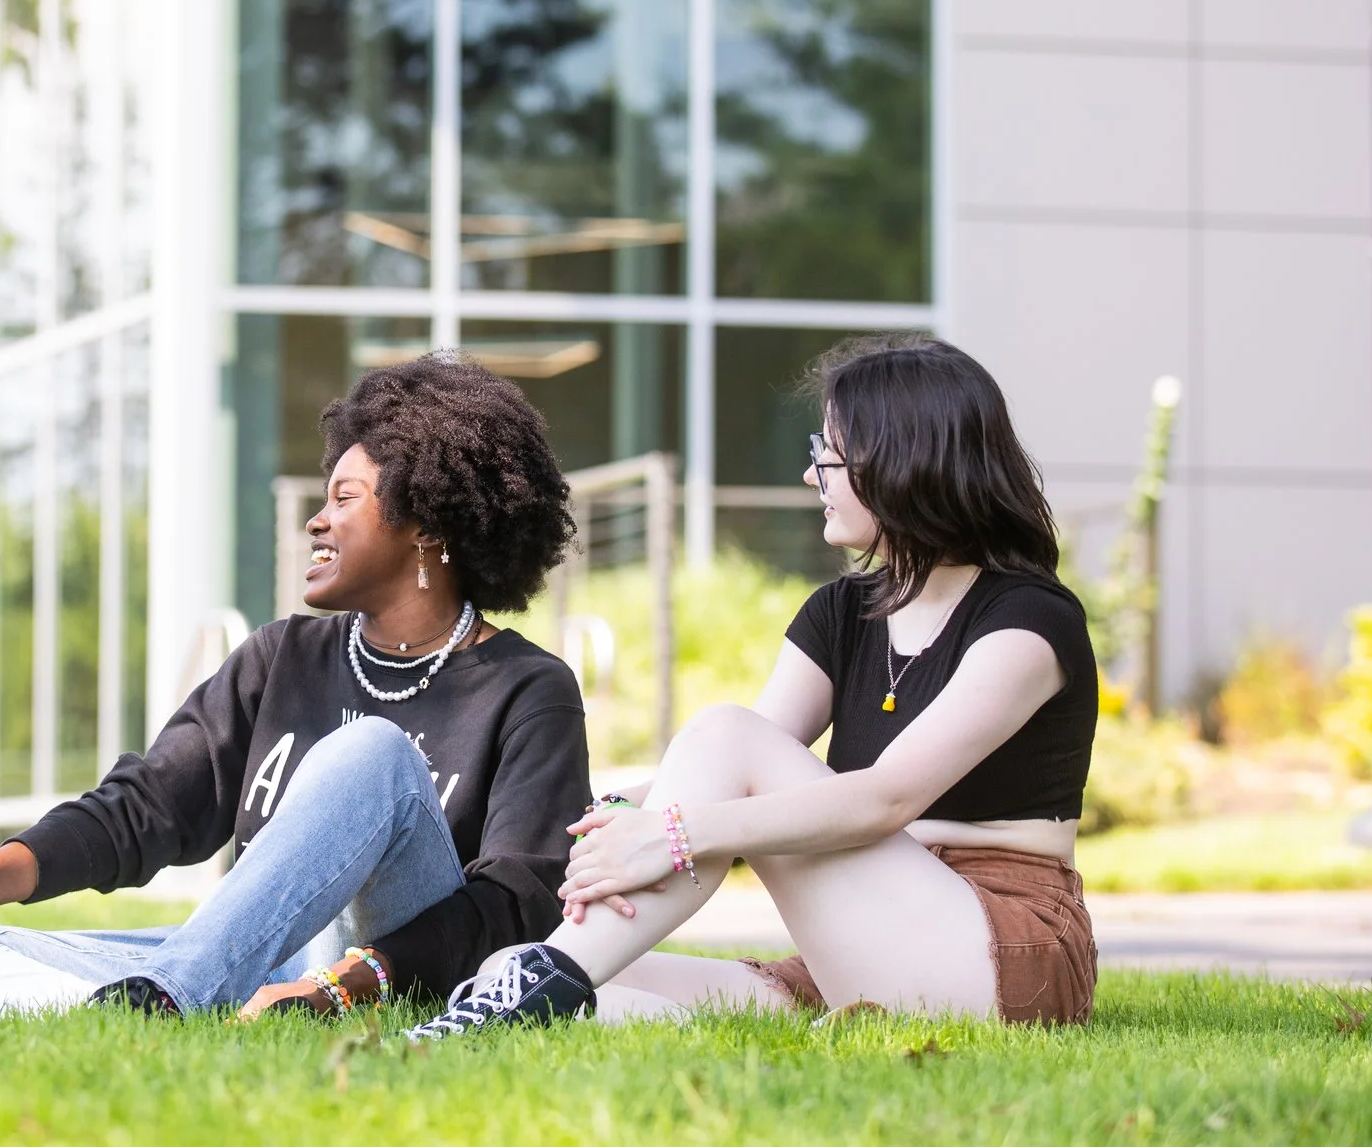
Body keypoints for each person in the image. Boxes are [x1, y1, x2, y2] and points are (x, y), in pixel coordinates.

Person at [410, 334, 1098, 1037]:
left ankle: (538, 989)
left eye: (823, 456)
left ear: (897, 460)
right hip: (863, 944)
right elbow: (717, 772)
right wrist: (607, 813)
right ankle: (531, 989)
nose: (811, 478)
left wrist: (674, 837)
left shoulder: (1028, 620)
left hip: (1000, 947)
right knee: (512, 961)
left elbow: (885, 797)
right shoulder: (843, 614)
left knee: (725, 730)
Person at [0, 354, 592, 1019]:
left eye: (344, 498)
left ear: (427, 525)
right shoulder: (280, 657)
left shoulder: (529, 688)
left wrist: (337, 986)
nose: (318, 519)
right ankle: (169, 995)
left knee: (374, 752)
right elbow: (140, 809)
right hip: (244, 963)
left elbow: (513, 907)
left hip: (389, 973)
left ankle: (165, 998)